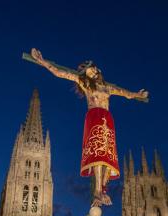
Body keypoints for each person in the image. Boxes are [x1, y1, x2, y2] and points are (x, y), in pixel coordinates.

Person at [29, 48, 148, 206]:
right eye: (86, 72)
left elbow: (124, 93)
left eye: (91, 70)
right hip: (95, 118)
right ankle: (97, 191)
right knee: (98, 155)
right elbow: (60, 73)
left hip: (107, 121)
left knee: (108, 158)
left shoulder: (107, 88)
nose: (89, 73)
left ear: (97, 70)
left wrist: (137, 95)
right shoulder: (85, 84)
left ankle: (103, 190)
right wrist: (42, 61)